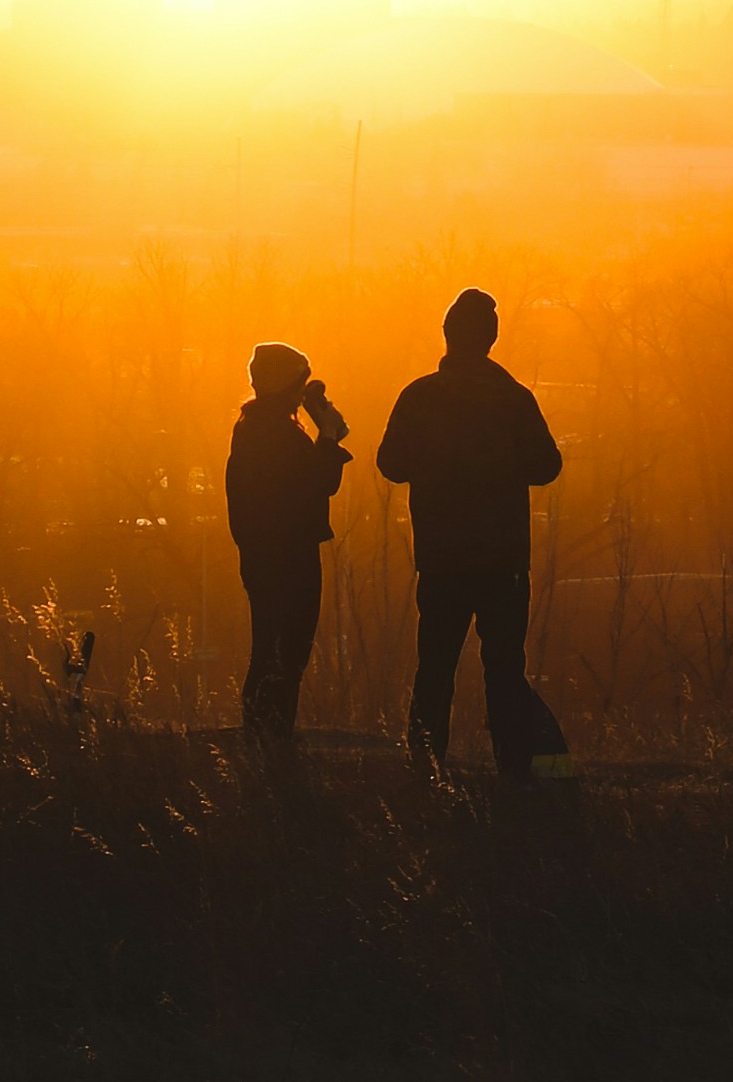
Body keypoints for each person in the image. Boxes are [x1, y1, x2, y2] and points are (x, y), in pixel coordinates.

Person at [374, 286, 565, 779]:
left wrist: (437, 466)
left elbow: (390, 465)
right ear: (491, 339)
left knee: (434, 665)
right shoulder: (512, 399)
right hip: (503, 560)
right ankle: (515, 771)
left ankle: (425, 765)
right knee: (504, 668)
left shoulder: (420, 396)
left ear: (447, 336)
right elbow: (547, 466)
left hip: (442, 558)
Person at [223, 337, 351, 756]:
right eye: (299, 385)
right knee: (288, 650)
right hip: (290, 559)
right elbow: (318, 483)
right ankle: (273, 736)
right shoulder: (279, 435)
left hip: (261, 558)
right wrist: (328, 435)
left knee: (268, 647)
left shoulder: (250, 430)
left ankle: (261, 733)